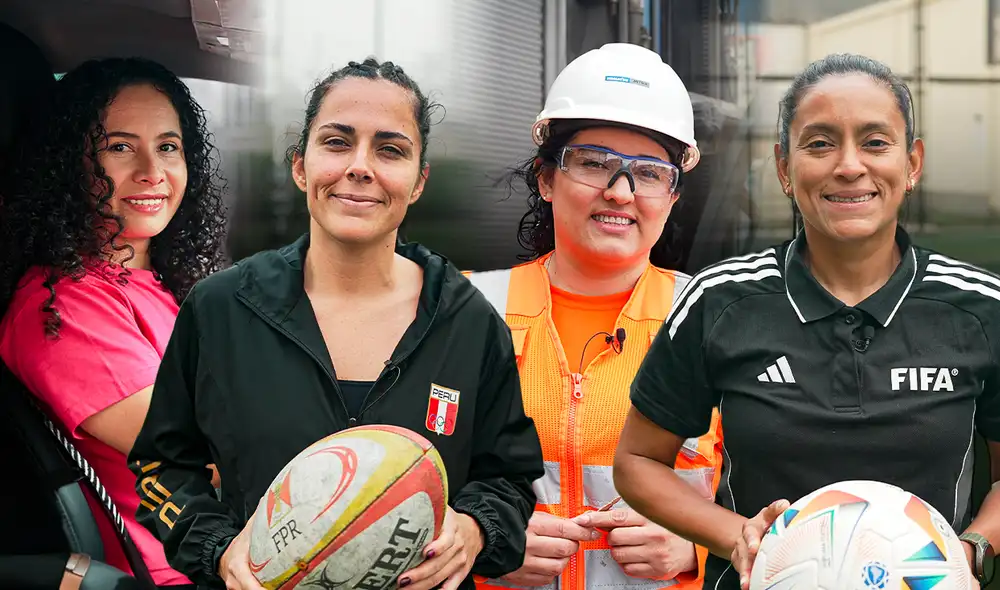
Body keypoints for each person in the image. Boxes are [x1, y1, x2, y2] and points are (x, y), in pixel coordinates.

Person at [126, 57, 545, 590]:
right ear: (300, 165)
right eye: (337, 142)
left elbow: (507, 479)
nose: (360, 166)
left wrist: (474, 529)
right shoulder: (223, 309)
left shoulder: (466, 319)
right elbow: (160, 469)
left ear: (419, 182)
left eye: (390, 149)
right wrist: (222, 550)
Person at [613, 52, 1000, 590]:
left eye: (875, 141)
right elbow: (637, 460)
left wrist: (972, 549)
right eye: (819, 143)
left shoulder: (981, 308)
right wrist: (738, 536)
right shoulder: (721, 299)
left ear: (912, 163)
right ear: (784, 168)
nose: (848, 165)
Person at [465, 43, 724, 590]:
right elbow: (400, 484)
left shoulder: (714, 322)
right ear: (546, 178)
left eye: (649, 173)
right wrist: (483, 538)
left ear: (673, 195)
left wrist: (696, 546)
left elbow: (775, 503)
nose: (620, 191)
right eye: (593, 163)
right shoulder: (466, 312)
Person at [0, 56, 229, 588]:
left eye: (168, 146)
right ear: (68, 164)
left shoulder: (162, 283)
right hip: (186, 572)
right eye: (120, 146)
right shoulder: (62, 305)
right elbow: (204, 450)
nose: (152, 171)